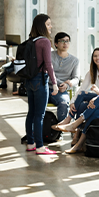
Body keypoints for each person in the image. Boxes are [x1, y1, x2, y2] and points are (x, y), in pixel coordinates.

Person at [23, 13, 59, 155]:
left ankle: (30, 143)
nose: (51, 27)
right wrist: (54, 83)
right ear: (42, 26)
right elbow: (48, 65)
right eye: (48, 24)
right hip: (40, 79)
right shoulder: (45, 41)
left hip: (29, 80)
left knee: (31, 113)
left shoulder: (31, 40)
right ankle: (40, 147)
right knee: (40, 115)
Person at [53, 47, 99, 128]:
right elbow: (82, 88)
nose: (97, 58)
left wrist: (97, 97)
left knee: (83, 97)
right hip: (97, 97)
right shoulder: (91, 72)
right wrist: (72, 102)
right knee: (82, 104)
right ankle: (75, 130)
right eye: (95, 56)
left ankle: (69, 120)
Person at [47, 32, 80, 122]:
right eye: (62, 41)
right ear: (56, 44)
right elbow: (46, 74)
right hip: (45, 87)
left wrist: (67, 85)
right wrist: (61, 83)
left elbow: (76, 78)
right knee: (36, 103)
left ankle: (61, 127)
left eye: (67, 41)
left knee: (64, 102)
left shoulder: (74, 60)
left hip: (61, 90)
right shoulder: (49, 56)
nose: (65, 43)